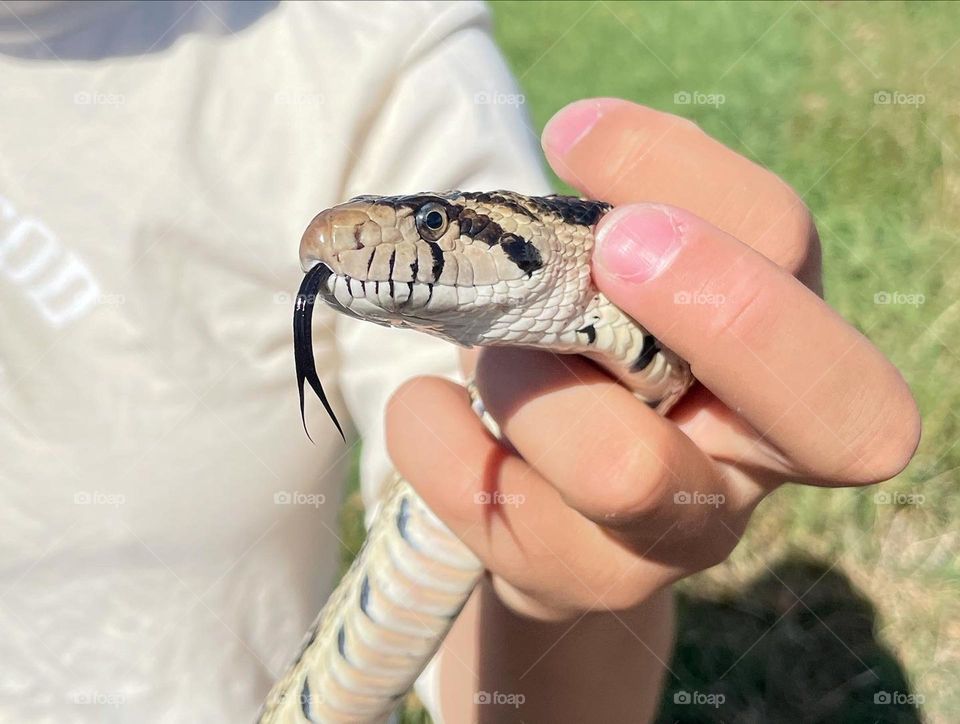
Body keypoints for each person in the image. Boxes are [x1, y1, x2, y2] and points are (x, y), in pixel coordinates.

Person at [0, 2, 918, 723]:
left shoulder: (373, 48)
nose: (338, 245)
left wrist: (565, 573)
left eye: (430, 225)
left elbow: (493, 553)